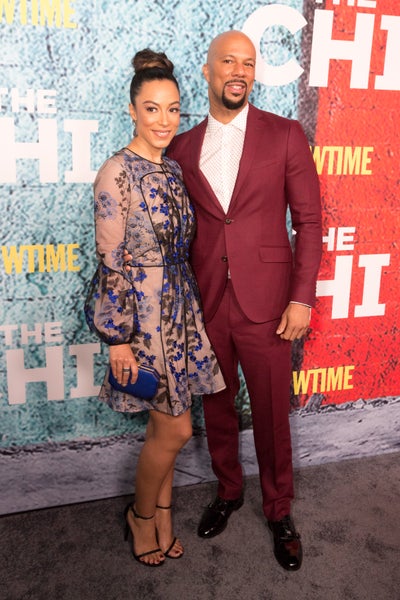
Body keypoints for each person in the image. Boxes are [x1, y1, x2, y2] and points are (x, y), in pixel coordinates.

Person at [167, 31, 322, 571]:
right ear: (207, 71)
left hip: (270, 305)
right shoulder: (182, 148)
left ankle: (279, 510)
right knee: (217, 407)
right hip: (208, 302)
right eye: (228, 61)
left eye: (248, 64)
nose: (239, 71)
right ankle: (228, 491)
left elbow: (308, 221)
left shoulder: (285, 134)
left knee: (273, 413)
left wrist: (301, 298)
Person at [84, 49, 225, 567]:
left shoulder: (172, 168)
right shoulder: (115, 172)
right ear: (132, 111)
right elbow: (110, 259)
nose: (164, 121)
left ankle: (163, 513)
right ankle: (141, 516)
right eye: (152, 109)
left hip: (179, 309)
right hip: (141, 319)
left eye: (173, 109)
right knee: (177, 428)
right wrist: (117, 338)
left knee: (165, 426)